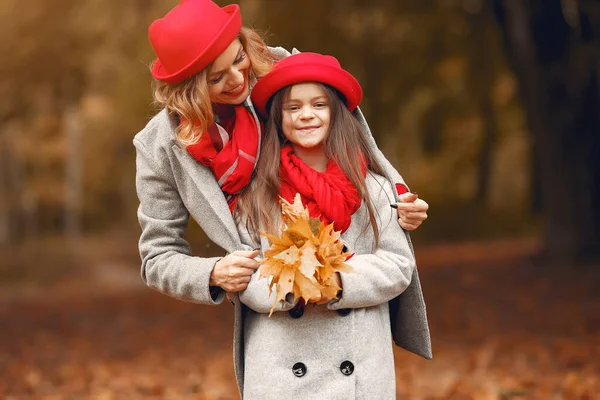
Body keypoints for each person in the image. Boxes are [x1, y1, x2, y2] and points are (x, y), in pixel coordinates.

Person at [134, 0, 430, 396]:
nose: (239, 78)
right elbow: (157, 256)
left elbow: (357, 138)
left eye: (238, 59)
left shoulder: (282, 70)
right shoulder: (161, 148)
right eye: (217, 78)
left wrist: (399, 197)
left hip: (353, 329)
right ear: (188, 91)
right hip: (276, 328)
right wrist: (214, 274)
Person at [232, 52, 429, 399]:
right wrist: (292, 284)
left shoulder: (375, 188)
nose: (306, 114)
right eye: (293, 108)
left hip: (359, 367)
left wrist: (337, 280)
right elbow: (242, 273)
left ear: (337, 113)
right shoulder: (256, 193)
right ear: (277, 118)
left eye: (319, 104)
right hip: (280, 366)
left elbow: (398, 265)